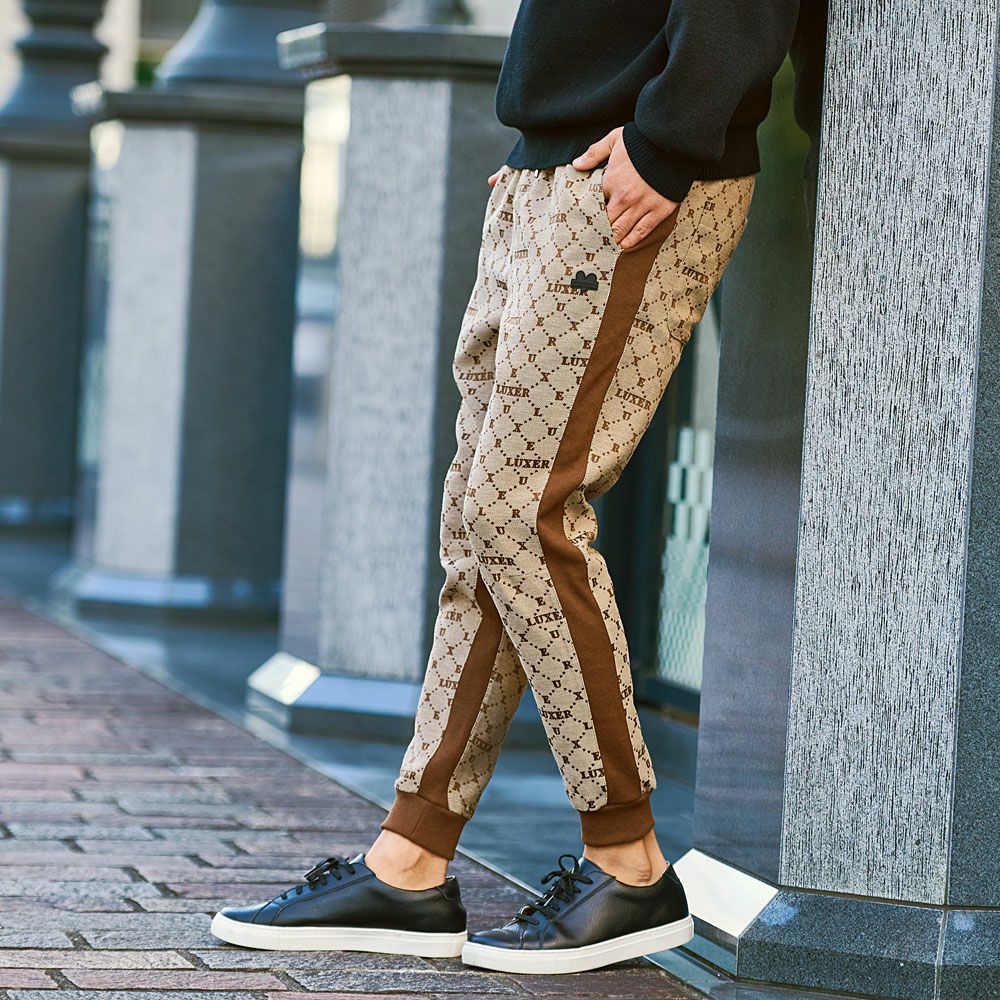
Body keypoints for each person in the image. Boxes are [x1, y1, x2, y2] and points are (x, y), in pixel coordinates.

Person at [211, 0, 800, 975]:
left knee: (524, 511)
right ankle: (409, 861)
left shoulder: (658, 149)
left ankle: (629, 861)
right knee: (479, 527)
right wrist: (548, 139)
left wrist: (669, 137)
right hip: (552, 164)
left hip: (636, 168)